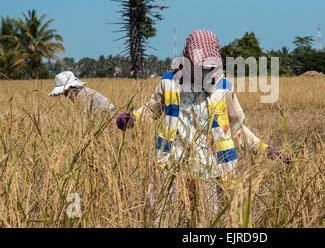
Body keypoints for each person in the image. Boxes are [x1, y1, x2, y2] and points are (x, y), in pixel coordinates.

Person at [116, 30, 290, 222]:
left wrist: (266, 149)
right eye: (200, 68)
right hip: (170, 165)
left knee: (206, 221)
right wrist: (131, 119)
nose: (205, 73)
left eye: (209, 68)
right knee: (161, 217)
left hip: (210, 171)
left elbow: (238, 129)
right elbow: (150, 111)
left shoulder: (223, 88)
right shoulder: (169, 83)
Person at [49, 71, 115, 113]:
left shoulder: (82, 94)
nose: (63, 94)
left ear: (70, 88)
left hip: (107, 114)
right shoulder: (77, 94)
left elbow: (83, 116)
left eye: (64, 91)